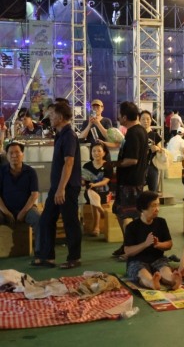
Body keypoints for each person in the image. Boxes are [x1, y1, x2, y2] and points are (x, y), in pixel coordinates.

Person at [34, 102, 82, 269]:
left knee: (70, 222)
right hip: (57, 186)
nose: (50, 118)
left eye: (53, 115)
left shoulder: (69, 135)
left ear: (61, 117)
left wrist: (61, 188)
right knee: (46, 219)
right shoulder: (59, 134)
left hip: (67, 187)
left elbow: (69, 163)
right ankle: (48, 256)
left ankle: (74, 258)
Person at [111, 101, 149, 259]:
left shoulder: (134, 133)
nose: (118, 117)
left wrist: (113, 164)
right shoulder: (137, 131)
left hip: (131, 182)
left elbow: (132, 160)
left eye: (120, 114)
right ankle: (128, 244)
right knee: (120, 212)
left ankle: (133, 247)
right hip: (130, 181)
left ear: (125, 117)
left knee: (130, 215)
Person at [123, 191, 181, 290]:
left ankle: (173, 280)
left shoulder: (161, 222)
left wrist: (158, 244)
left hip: (157, 258)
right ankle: (151, 282)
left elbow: (169, 244)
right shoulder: (132, 227)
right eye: (153, 206)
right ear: (143, 208)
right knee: (142, 273)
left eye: (158, 205)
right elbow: (127, 251)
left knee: (165, 270)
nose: (157, 209)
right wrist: (145, 244)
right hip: (137, 261)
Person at [0, 142, 41, 258]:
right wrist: (6, 212)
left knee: (39, 220)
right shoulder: (1, 172)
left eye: (17, 152)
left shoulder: (30, 172)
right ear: (6, 155)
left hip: (27, 209)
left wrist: (23, 212)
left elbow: (34, 194)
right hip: (4, 210)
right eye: (11, 153)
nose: (14, 156)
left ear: (22, 154)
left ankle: (40, 254)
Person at [82, 142, 112, 236]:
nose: (96, 153)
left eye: (99, 151)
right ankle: (100, 209)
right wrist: (81, 181)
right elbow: (83, 182)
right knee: (90, 192)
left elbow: (105, 181)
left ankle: (96, 227)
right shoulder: (86, 166)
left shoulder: (108, 165)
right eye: (93, 151)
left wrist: (95, 185)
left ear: (104, 153)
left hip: (104, 192)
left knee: (92, 198)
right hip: (90, 191)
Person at [139, 110, 163, 192]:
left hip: (152, 166)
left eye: (148, 119)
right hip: (139, 166)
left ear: (151, 120)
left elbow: (161, 150)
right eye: (143, 119)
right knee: (139, 190)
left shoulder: (155, 135)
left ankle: (153, 204)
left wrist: (157, 148)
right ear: (139, 120)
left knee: (153, 191)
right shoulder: (136, 134)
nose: (145, 121)